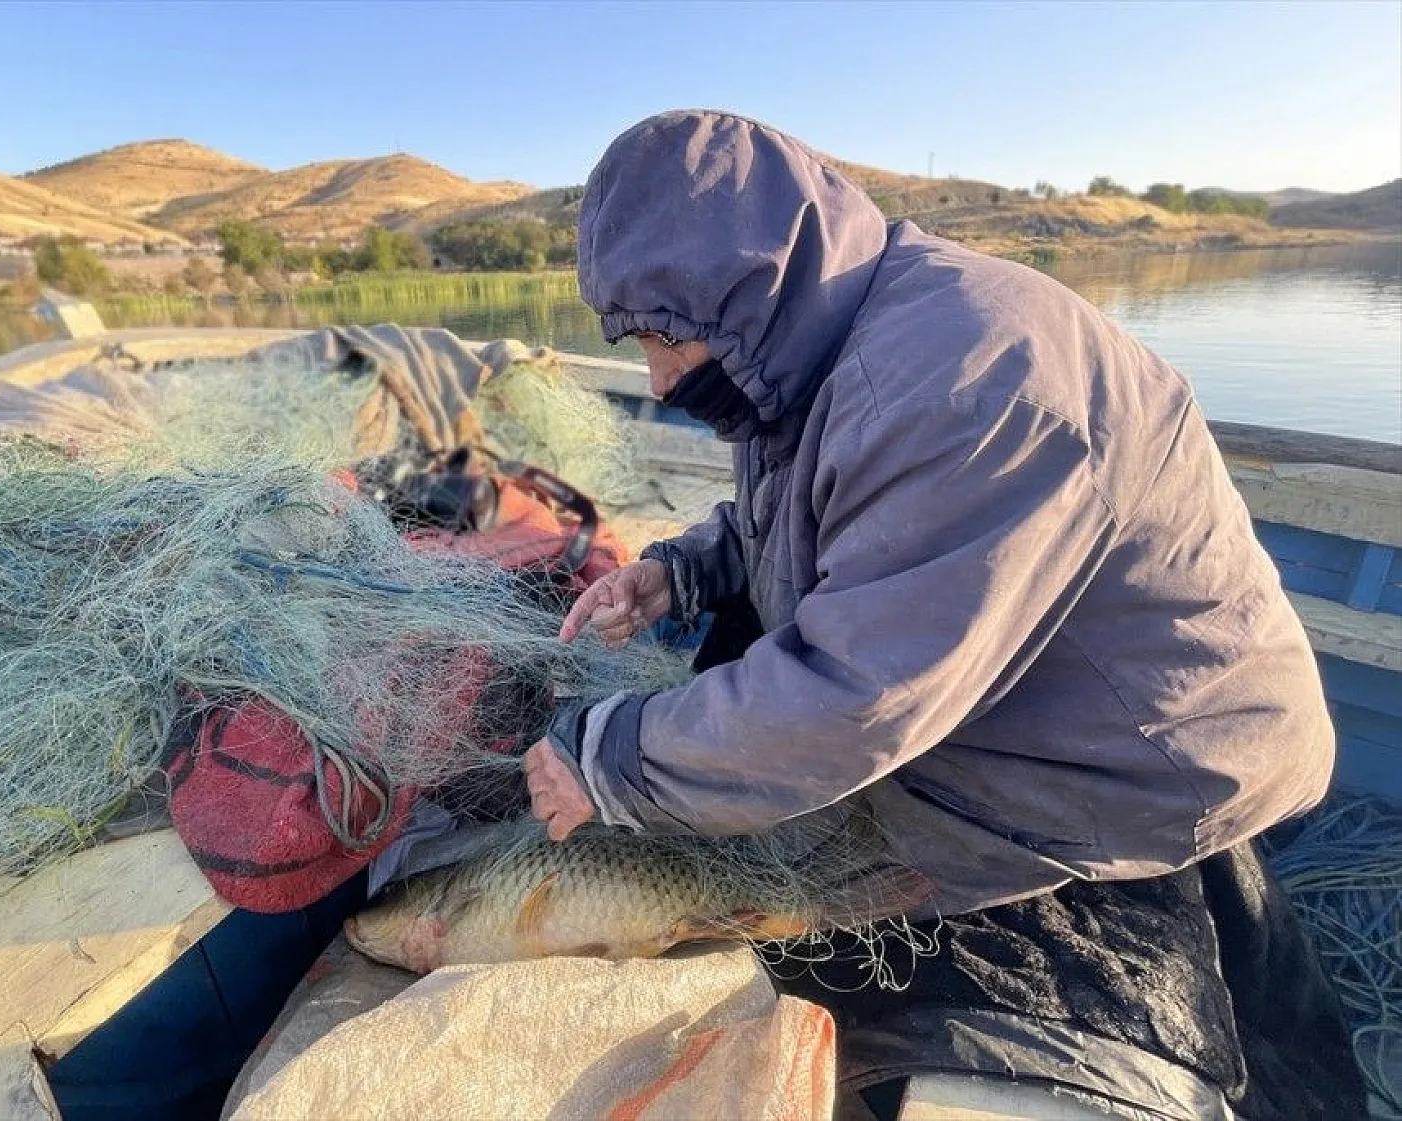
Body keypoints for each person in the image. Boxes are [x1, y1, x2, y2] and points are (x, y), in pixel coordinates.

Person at [522, 108, 1336, 918]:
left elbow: (858, 699)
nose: (659, 382)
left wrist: (605, 762)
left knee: (799, 910)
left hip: (1159, 756)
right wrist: (683, 572)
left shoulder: (963, 384)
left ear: (744, 295)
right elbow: (811, 515)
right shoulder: (807, 346)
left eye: (665, 338)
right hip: (1004, 680)